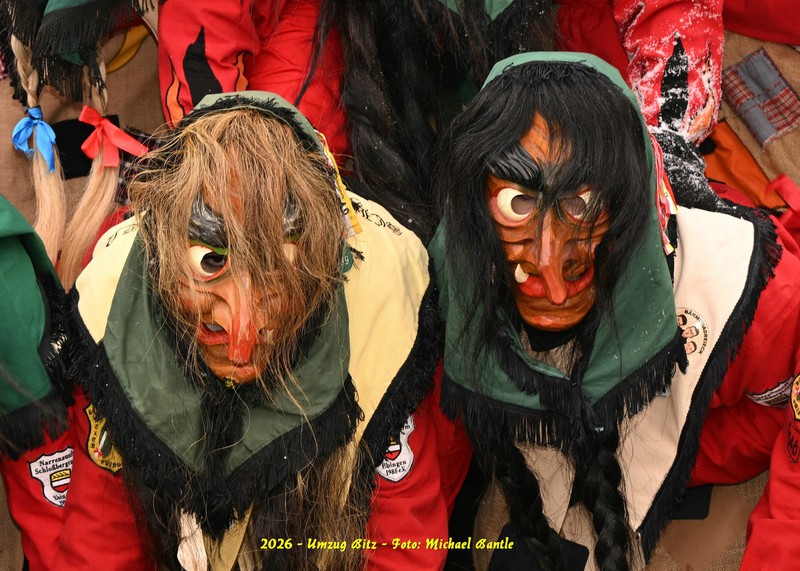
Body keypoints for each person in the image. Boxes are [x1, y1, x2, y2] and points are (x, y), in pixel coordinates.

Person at [49, 90, 469, 570]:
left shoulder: (376, 318)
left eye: (277, 269)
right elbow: (98, 546)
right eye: (210, 262)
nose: (243, 332)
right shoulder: (118, 314)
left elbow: (403, 548)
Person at [430, 51, 800, 570]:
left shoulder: (749, 294)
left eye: (579, 206)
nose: (552, 281)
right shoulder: (460, 269)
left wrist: (674, 449)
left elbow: (778, 419)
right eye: (517, 204)